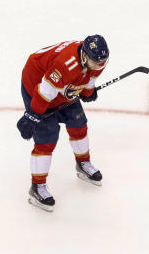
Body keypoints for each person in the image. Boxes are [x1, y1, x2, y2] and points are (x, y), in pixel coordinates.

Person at [16, 36, 109, 212]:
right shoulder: (65, 65)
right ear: (84, 56)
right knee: (47, 134)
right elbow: (45, 92)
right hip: (37, 84)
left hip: (65, 85)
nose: (100, 65)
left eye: (102, 62)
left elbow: (90, 77)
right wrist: (32, 116)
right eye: (96, 62)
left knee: (78, 122)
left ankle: (83, 164)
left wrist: (88, 91)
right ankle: (37, 187)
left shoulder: (97, 60)